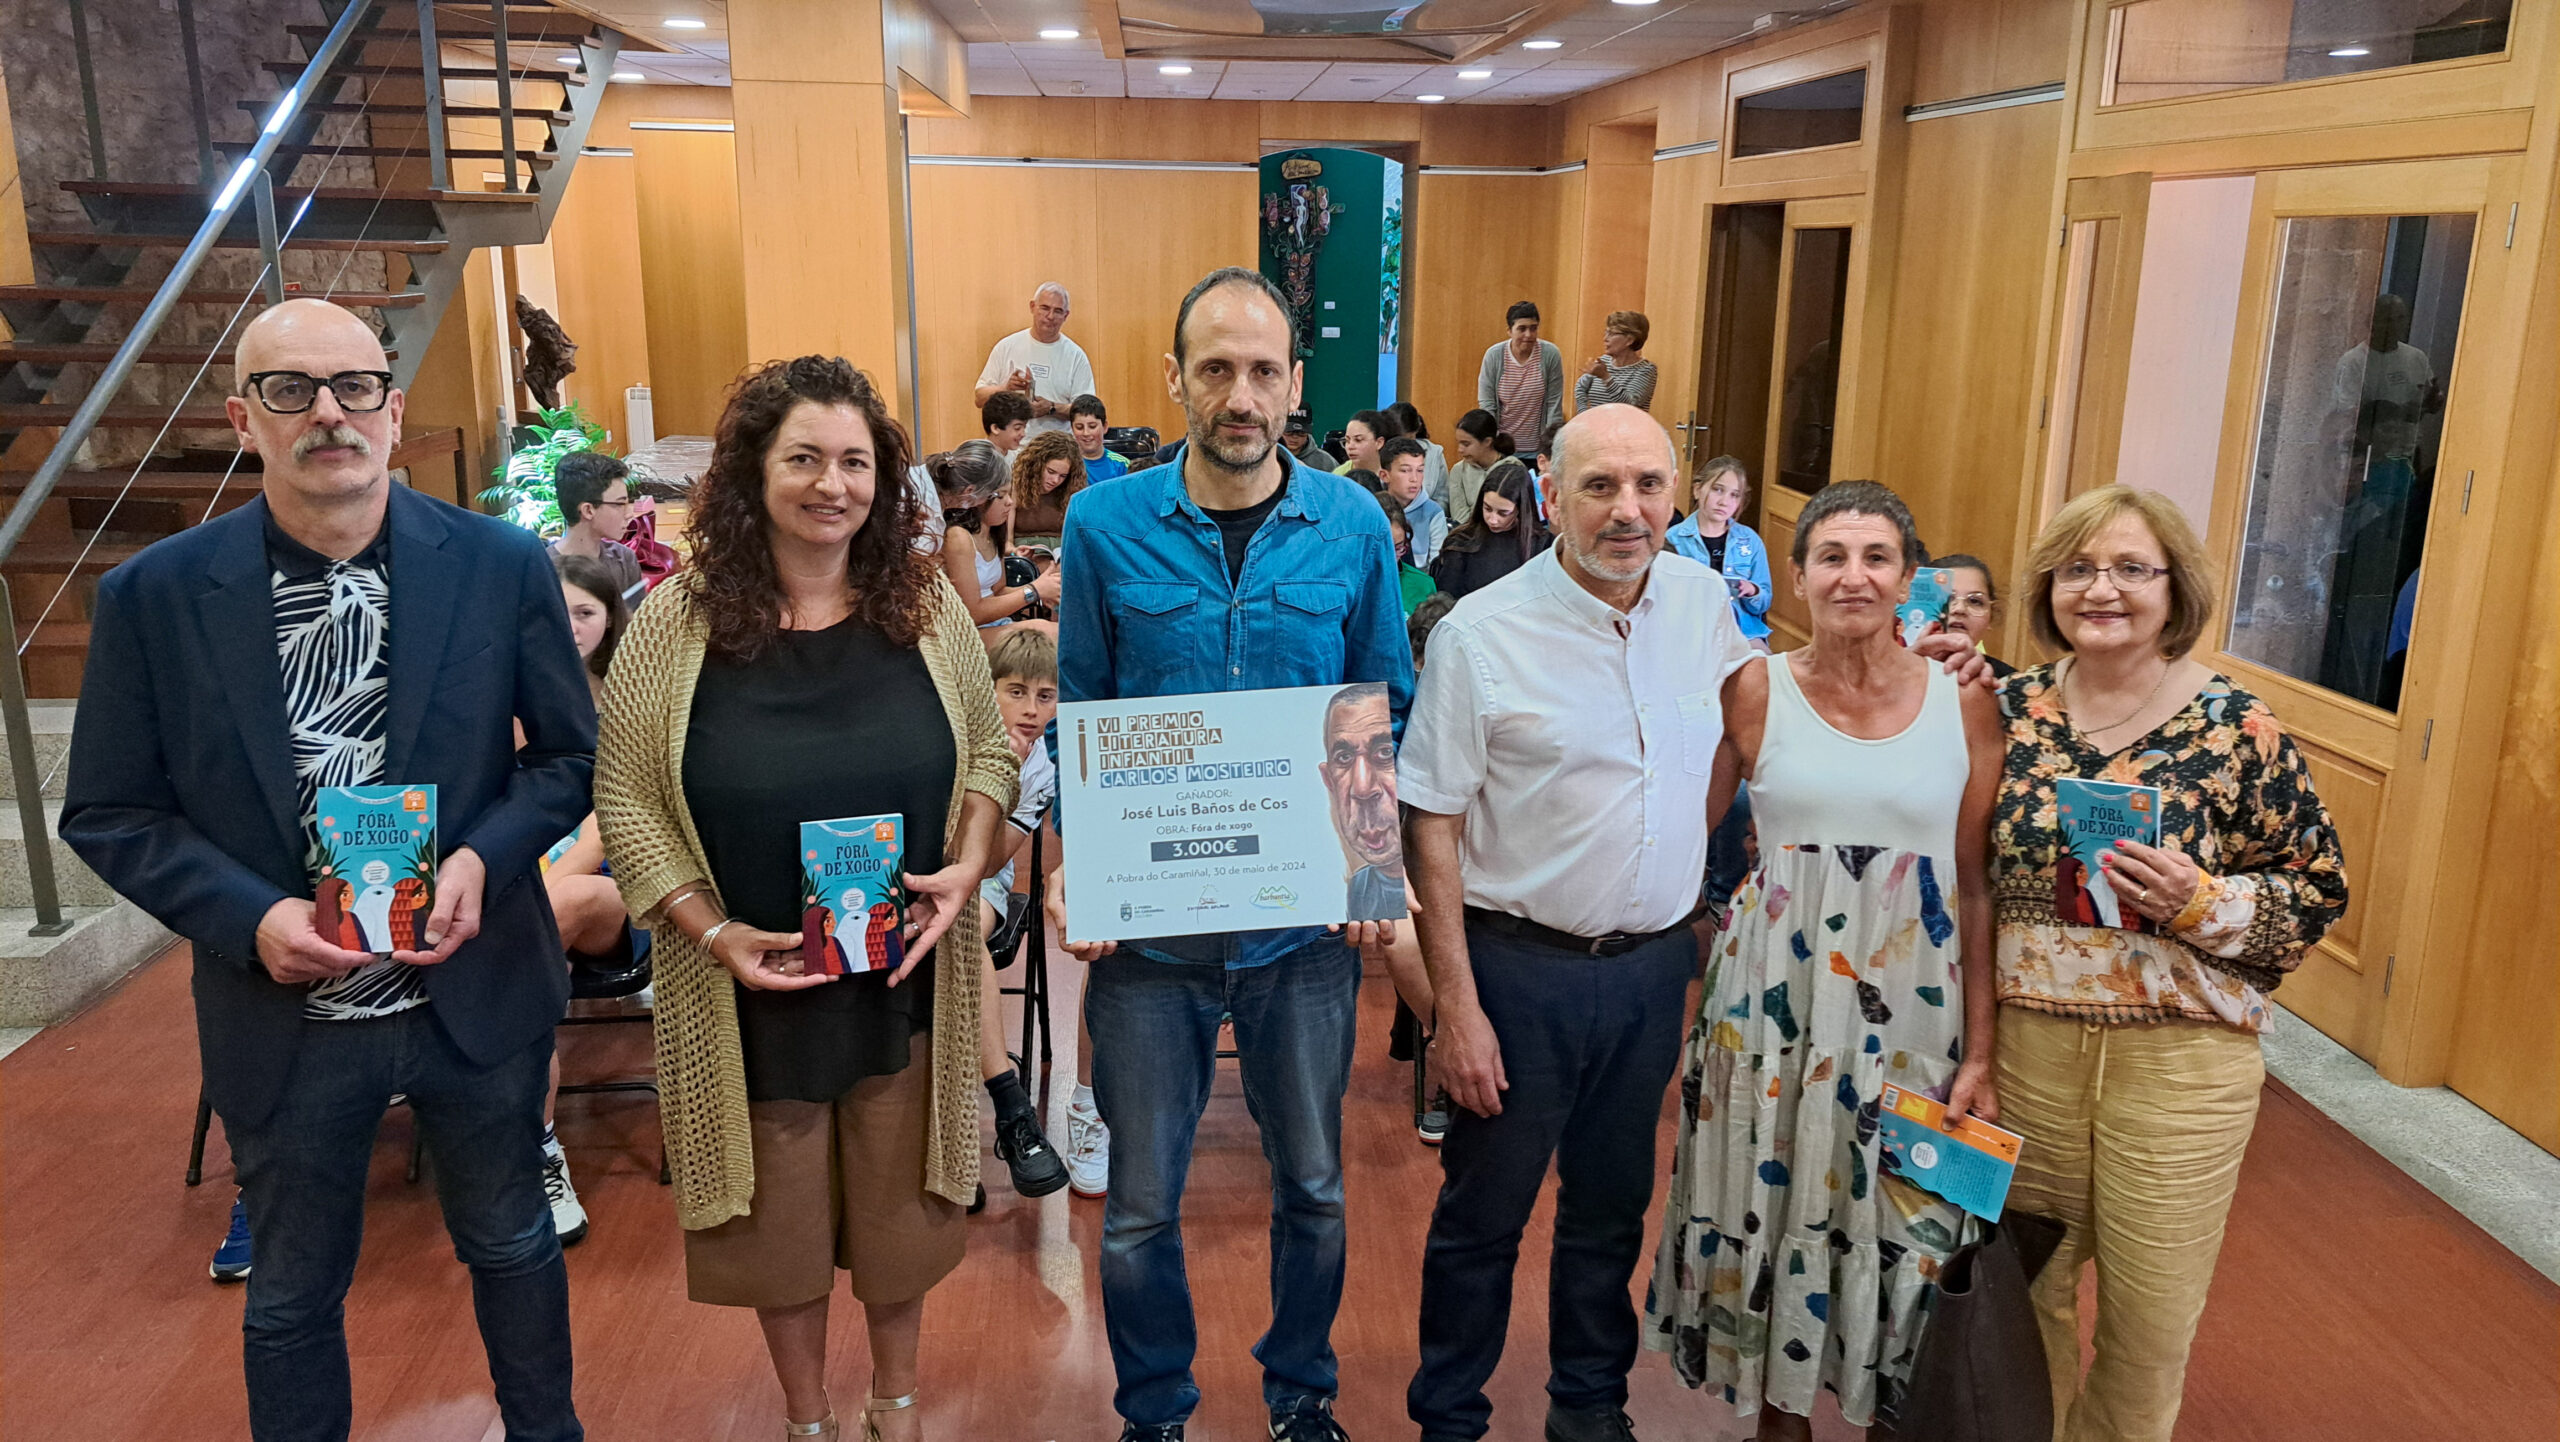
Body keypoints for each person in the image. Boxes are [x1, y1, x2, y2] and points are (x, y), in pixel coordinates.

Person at [62, 297, 594, 1442]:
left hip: (473, 983)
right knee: (295, 1293)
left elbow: (564, 761)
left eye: (355, 387)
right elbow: (108, 810)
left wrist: (479, 860)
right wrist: (249, 915)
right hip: (284, 1008)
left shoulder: (501, 566)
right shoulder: (154, 597)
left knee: (511, 1242)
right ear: (242, 416)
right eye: (290, 390)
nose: (328, 414)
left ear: (395, 412)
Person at [593, 354, 1018, 1442]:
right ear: (752, 472)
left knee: (900, 1211)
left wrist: (969, 863)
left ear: (882, 479)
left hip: (900, 972)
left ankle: (898, 1399)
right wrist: (711, 927)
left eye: (854, 461)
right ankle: (805, 1416)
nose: (831, 483)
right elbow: (628, 796)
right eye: (803, 459)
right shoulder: (672, 624)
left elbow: (986, 756)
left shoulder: (921, 613)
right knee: (774, 1224)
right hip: (752, 982)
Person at [1050, 265, 1410, 1442]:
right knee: (1142, 1207)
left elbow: (1379, 715)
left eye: (1263, 369)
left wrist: (1369, 872)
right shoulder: (1104, 521)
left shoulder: (1353, 523)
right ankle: (1154, 1408)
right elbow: (1084, 710)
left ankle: (1299, 1395)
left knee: (1310, 1185)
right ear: (1175, 379)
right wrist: (1079, 867)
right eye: (1216, 368)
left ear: (1294, 383)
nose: (1240, 393)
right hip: (1149, 939)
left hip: (1304, 933)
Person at [1399, 404, 1758, 1442]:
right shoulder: (1482, 632)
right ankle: (1448, 1417)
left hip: (1650, 973)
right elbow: (1430, 822)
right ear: (1552, 497)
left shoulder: (1704, 607)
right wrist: (1452, 1011)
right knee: (1483, 1218)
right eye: (1598, 486)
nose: (1626, 509)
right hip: (1519, 971)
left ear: (1676, 495)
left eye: (1648, 484)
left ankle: (1589, 1405)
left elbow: (1759, 720)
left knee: (1609, 1210)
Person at [1983, 484, 2346, 1442]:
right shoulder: (2002, 712)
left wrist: (2202, 903)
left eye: (2131, 569)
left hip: (2182, 1069)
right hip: (2025, 1055)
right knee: (2017, 1305)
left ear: (2174, 588)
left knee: (2148, 1331)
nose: (2103, 589)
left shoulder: (2238, 727)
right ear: (2050, 587)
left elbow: (2316, 898)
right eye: (2079, 569)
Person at [1647, 480, 2006, 1439]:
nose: (1853, 576)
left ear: (1907, 580)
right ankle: (1780, 1416)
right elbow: (1681, 828)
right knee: (1767, 1200)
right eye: (1831, 556)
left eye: (1876, 557)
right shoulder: (1754, 687)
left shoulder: (1966, 703)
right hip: (1772, 1009)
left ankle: (1895, 1408)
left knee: (1909, 1218)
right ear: (1794, 575)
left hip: (1915, 1009)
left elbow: (1975, 886)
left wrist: (1982, 1052)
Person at [535, 550, 644, 1247]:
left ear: (610, 619)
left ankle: (533, 1149)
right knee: (523, 965)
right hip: (515, 892)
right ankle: (535, 1142)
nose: (571, 625)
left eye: (586, 612)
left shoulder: (631, 702)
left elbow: (612, 824)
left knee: (559, 905)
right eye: (560, 610)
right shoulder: (510, 696)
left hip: (618, 891)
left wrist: (533, 892)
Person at [973, 627, 1071, 1202]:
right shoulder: (954, 731)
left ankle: (1009, 1112)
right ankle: (1001, 1112)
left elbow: (985, 862)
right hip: (915, 872)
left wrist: (1002, 781)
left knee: (957, 938)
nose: (1031, 710)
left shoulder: (1041, 769)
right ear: (988, 690)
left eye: (1046, 696)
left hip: (979, 881)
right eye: (1016, 692)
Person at [931, 440, 1060, 641]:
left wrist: (1044, 587)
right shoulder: (958, 537)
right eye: (1001, 496)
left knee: (1058, 631)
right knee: (1050, 635)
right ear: (978, 497)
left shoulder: (993, 532)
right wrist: (1033, 591)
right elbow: (972, 613)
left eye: (1010, 494)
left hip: (994, 623)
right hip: (965, 634)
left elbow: (997, 592)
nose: (1010, 502)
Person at [1319, 682, 1405, 923]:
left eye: (1384, 752)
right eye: (1344, 758)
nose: (1363, 788)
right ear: (1329, 780)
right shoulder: (1358, 888)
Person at [1665, 455, 1772, 646]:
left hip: (1743, 633)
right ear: (1697, 490)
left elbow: (1764, 600)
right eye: (1717, 490)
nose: (1724, 501)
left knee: (1765, 670)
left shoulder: (1750, 541)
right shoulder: (1673, 539)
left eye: (1734, 495)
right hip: (1691, 633)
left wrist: (1752, 590)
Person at [974, 281, 1096, 439]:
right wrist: (1006, 387)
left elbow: (1087, 411)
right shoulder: (1006, 346)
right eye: (1045, 308)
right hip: (1011, 451)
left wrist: (1051, 408)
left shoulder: (1075, 355)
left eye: (1058, 311)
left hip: (1057, 450)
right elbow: (979, 398)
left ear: (1066, 316)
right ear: (1032, 307)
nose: (1050, 316)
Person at [1428, 460, 1542, 601]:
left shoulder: (1542, 545)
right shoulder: (1460, 541)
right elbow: (1445, 599)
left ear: (1521, 509)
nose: (1492, 519)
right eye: (1487, 508)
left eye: (1503, 513)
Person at [550, 449, 648, 606]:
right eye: (620, 504)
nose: (629, 514)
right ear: (588, 510)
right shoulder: (545, 569)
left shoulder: (623, 559)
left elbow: (638, 625)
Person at [1477, 300, 1565, 451]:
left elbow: (1554, 404)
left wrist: (1550, 447)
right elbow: (1487, 405)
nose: (1528, 335)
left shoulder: (1550, 354)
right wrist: (1493, 443)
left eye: (1533, 328)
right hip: (1503, 447)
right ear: (1509, 331)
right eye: (1522, 329)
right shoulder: (1494, 355)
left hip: (1537, 448)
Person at [1926, 551, 2012, 677]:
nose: (1959, 609)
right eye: (1947, 598)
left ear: (1991, 615)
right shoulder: (1893, 671)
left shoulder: (2007, 683)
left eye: (1974, 601)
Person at [1381, 435, 1448, 569]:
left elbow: (1437, 567)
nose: (1414, 479)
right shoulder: (1375, 509)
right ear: (1384, 475)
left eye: (1420, 470)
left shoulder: (1433, 512)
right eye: (1405, 470)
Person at [1573, 311, 1658, 414]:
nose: (1605, 339)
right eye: (1606, 332)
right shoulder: (1603, 361)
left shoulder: (1646, 370)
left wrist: (1606, 377)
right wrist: (1585, 414)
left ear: (1629, 340)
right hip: (1596, 427)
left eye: (1612, 334)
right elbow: (1580, 388)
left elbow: (1630, 403)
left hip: (1628, 429)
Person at [1444, 409, 1514, 528]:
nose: (1460, 450)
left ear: (1487, 442)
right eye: (1458, 443)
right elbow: (1459, 516)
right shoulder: (1458, 471)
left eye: (1466, 444)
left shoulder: (1512, 468)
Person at [1011, 429, 1087, 539]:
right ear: (1036, 465)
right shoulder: (1015, 486)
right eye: (1051, 472)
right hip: (1023, 548)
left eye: (1063, 476)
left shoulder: (1073, 490)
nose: (1055, 480)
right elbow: (1007, 543)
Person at [1380, 491, 1440, 616]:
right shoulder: (1351, 583)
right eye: (1384, 548)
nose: (1391, 558)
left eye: (1398, 548)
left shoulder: (1423, 585)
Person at [1387, 400, 1450, 511]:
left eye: (1409, 439)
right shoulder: (1381, 453)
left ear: (1417, 429)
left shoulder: (1434, 453)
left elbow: (1442, 497)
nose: (1403, 446)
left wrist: (1430, 517)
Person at [1071, 394, 1132, 484]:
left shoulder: (1122, 465)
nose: (1086, 433)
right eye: (1079, 427)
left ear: (1105, 427)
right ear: (1072, 428)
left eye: (1092, 426)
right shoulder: (1067, 463)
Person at [1334, 407, 1400, 477]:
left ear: (1379, 443)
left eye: (1358, 440)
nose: (1350, 447)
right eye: (1347, 441)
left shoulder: (1395, 473)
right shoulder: (1338, 475)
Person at [981, 390, 1033, 461]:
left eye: (1024, 427)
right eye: (1017, 428)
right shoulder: (978, 460)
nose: (1023, 434)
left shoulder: (1019, 461)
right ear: (995, 428)